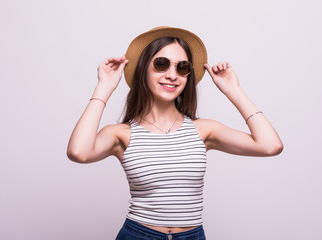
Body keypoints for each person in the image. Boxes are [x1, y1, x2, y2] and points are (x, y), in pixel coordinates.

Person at [67, 26, 283, 240]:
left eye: (182, 67)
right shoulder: (121, 134)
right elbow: (78, 152)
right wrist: (104, 88)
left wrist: (233, 90)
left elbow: (270, 145)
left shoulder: (204, 130)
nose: (172, 75)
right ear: (144, 69)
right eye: (161, 64)